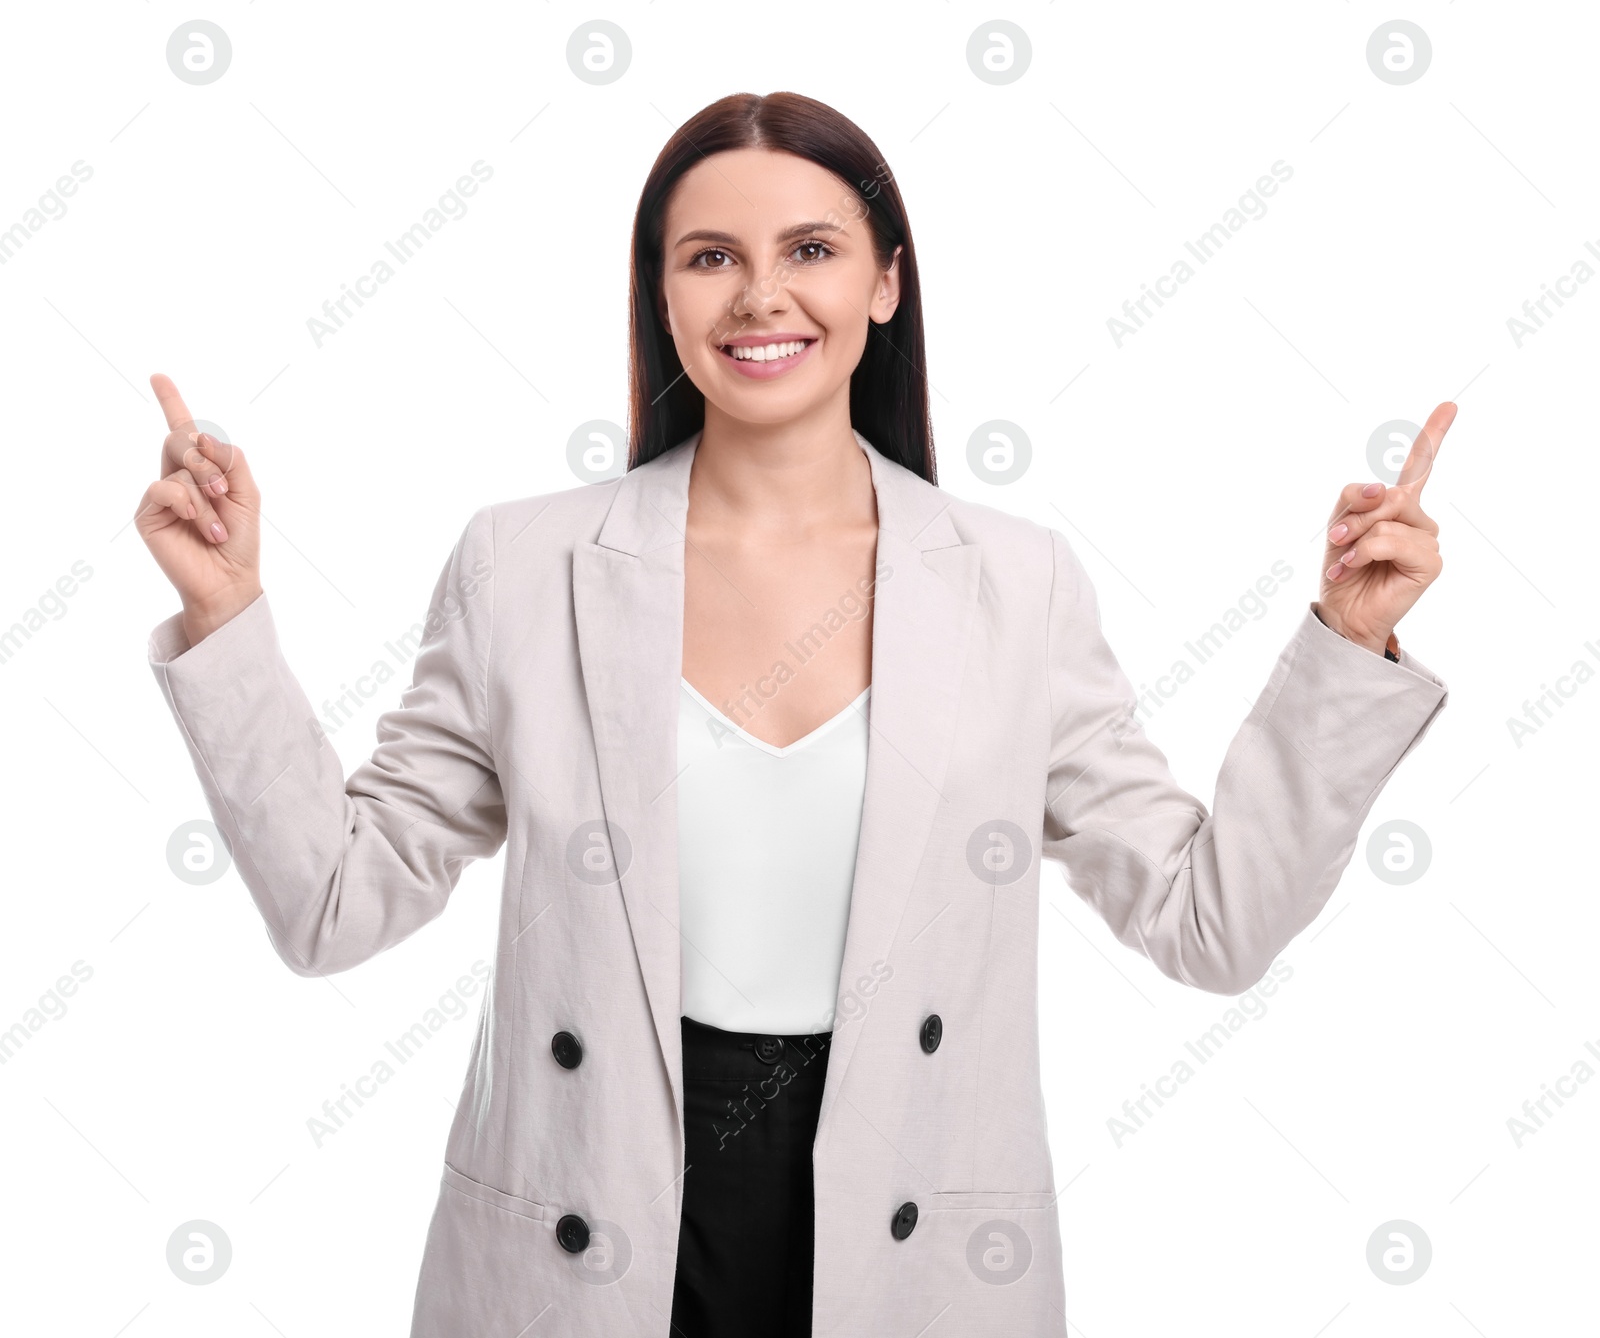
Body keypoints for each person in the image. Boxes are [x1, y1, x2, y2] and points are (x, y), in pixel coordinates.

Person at [138, 91, 1452, 1337]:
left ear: (884, 282)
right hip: (587, 1239)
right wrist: (227, 616)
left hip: (911, 1233)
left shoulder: (1016, 582)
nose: (761, 294)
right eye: (710, 255)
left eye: (811, 248)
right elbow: (335, 904)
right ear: (663, 290)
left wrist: (1346, 642)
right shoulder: (522, 565)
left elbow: (1206, 923)